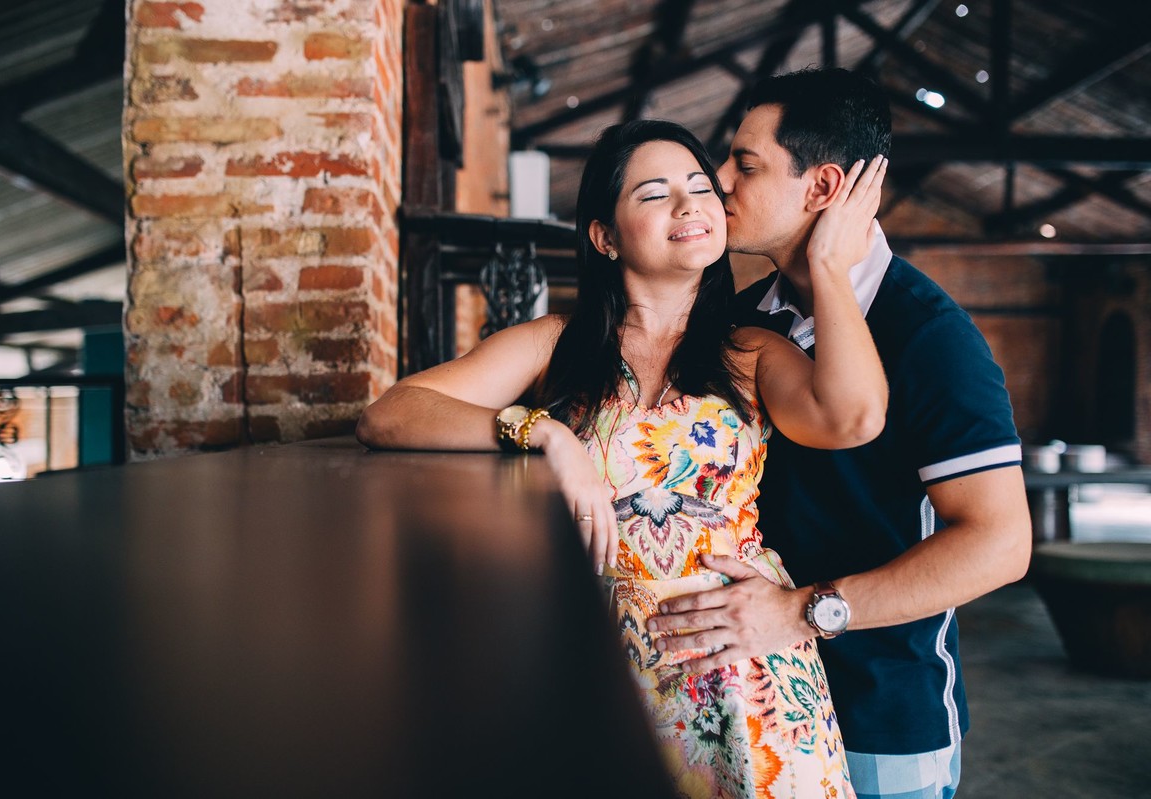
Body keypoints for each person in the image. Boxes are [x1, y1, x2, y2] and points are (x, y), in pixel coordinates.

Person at [358, 118, 888, 798]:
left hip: (743, 670)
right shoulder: (556, 345)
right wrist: (542, 433)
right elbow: (390, 413)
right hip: (593, 659)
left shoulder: (751, 352)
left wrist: (828, 269)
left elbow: (854, 416)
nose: (690, 204)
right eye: (655, 193)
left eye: (700, 188)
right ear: (604, 236)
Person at [647, 69, 1032, 799]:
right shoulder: (744, 320)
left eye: (745, 164)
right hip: (749, 704)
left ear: (823, 187)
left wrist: (800, 611)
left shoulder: (930, 335)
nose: (718, 179)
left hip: (880, 718)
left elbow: (1000, 543)